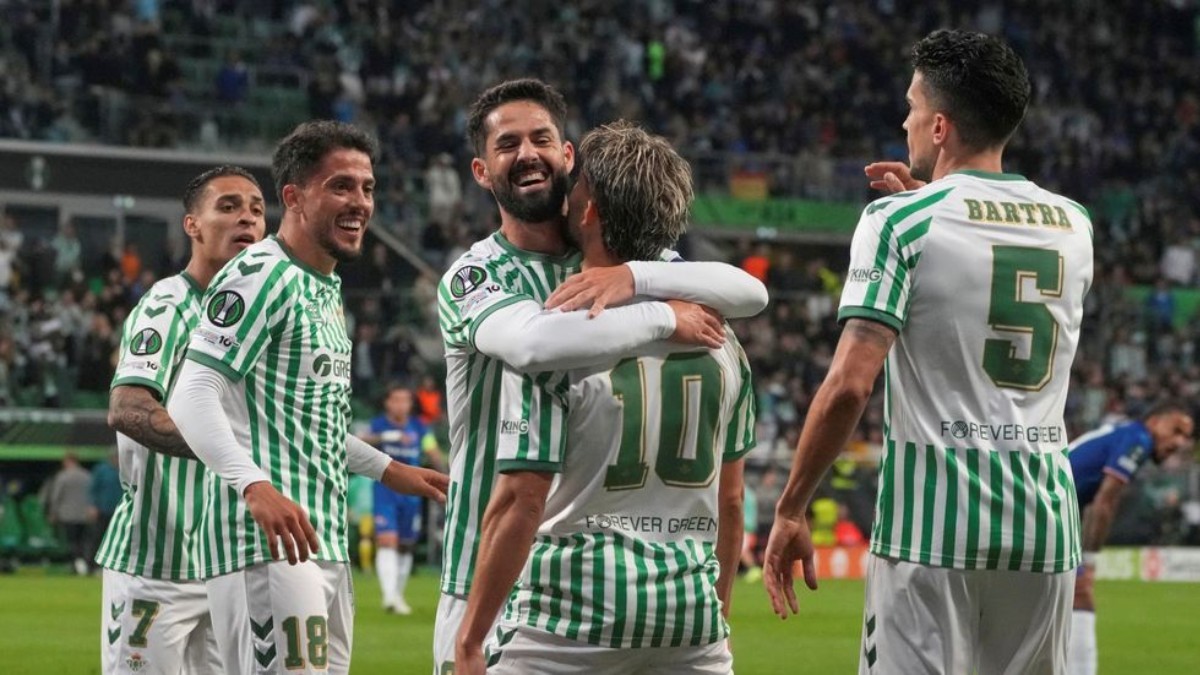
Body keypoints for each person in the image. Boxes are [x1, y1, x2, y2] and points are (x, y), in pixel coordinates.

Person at [763, 30, 1094, 675]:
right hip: (1045, 531)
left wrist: (791, 505)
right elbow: (980, 251)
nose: (904, 120)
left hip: (931, 531)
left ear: (940, 127)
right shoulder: (1074, 224)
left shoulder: (897, 223)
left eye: (912, 107)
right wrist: (928, 195)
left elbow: (850, 385)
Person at [433, 79, 768, 673]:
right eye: (508, 144)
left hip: (563, 592)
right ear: (481, 172)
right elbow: (533, 344)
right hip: (478, 573)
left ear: (568, 159)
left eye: (542, 139)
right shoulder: (476, 275)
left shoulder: (630, 264)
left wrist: (635, 279)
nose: (528, 153)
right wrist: (664, 316)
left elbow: (750, 291)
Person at [168, 121, 449, 675]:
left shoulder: (322, 287)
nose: (360, 202)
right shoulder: (262, 274)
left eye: (367, 188)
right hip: (263, 541)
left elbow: (306, 423)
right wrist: (253, 486)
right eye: (341, 186)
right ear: (294, 197)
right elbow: (190, 393)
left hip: (321, 538)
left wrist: (388, 469)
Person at [95, 165, 267, 675]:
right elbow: (127, 408)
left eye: (257, 210)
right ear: (192, 225)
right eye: (228, 207)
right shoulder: (168, 305)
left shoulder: (258, 316)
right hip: (156, 562)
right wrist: (233, 451)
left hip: (227, 563)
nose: (247, 219)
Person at [1066, 401, 1194, 675]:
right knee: (1080, 594)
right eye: (1176, 431)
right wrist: (1090, 559)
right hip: (1043, 511)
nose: (1180, 443)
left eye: (1186, 437)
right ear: (1155, 421)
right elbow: (1105, 501)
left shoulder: (1123, 434)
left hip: (1045, 509)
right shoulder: (1139, 440)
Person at [360, 382, 445, 615]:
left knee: (406, 545)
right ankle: (389, 597)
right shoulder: (378, 425)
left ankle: (397, 595)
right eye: (395, 399)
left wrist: (444, 474)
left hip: (412, 495)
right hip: (385, 491)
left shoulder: (419, 427)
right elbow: (360, 442)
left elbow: (432, 451)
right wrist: (385, 436)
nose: (400, 404)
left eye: (405, 400)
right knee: (387, 540)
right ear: (387, 403)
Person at [47, 452, 92, 576]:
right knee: (83, 541)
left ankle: (75, 565)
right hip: (84, 514)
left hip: (68, 514)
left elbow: (56, 496)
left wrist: (53, 512)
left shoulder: (63, 477)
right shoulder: (87, 476)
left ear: (68, 461)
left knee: (72, 542)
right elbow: (92, 495)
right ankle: (85, 564)